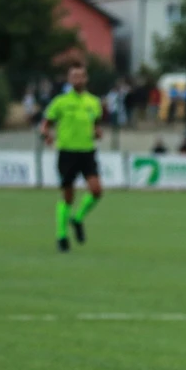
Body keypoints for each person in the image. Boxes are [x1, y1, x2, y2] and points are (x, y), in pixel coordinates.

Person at [41, 63, 105, 253]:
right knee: (68, 196)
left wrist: (97, 132)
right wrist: (46, 135)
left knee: (96, 190)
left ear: (86, 79)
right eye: (74, 76)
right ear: (69, 79)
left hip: (87, 152)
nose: (77, 79)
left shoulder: (93, 102)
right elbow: (45, 124)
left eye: (80, 76)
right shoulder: (60, 102)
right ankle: (61, 235)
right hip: (67, 153)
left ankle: (77, 219)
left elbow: (96, 125)